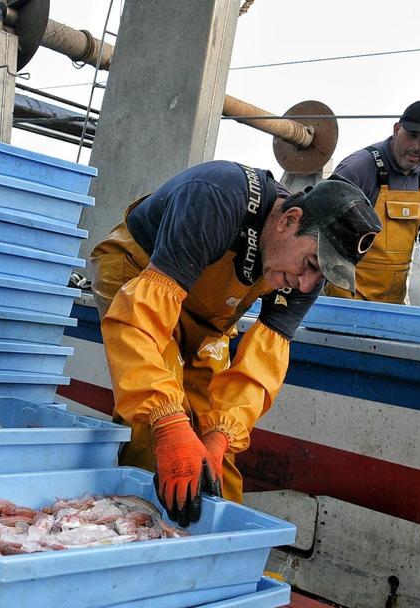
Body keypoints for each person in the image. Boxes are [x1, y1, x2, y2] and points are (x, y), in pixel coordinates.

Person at [90, 161, 382, 526]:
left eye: (320, 275)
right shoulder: (216, 197)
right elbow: (141, 324)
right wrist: (169, 424)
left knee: (215, 458)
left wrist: (220, 435)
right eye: (310, 264)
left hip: (207, 316)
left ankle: (219, 545)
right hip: (142, 279)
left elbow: (262, 364)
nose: (306, 284)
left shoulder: (304, 273)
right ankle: (135, 536)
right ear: (289, 219)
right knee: (157, 429)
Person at [325, 100, 420, 309]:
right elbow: (321, 229)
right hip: (342, 300)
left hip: (393, 304)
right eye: (411, 135)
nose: (417, 146)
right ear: (397, 129)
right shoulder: (359, 169)